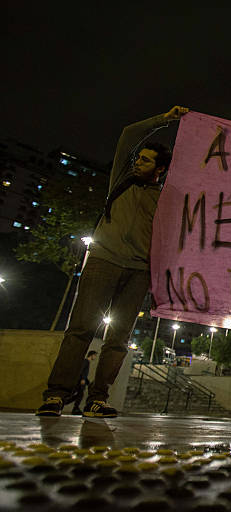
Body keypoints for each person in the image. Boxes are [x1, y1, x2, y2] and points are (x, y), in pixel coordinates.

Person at [35, 106, 189, 418]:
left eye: (146, 160)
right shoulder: (122, 178)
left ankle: (98, 399)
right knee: (80, 328)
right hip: (104, 261)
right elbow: (129, 136)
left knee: (118, 339)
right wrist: (164, 120)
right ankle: (55, 395)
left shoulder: (164, 196)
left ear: (160, 169)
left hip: (138, 271)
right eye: (138, 158)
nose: (138, 163)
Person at [68, 350, 98, 415]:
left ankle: (73, 406)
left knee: (79, 395)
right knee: (78, 394)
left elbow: (84, 373)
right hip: (80, 381)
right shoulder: (86, 361)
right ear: (92, 355)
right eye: (95, 355)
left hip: (81, 381)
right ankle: (73, 406)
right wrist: (83, 379)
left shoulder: (87, 362)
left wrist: (87, 382)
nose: (95, 357)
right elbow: (81, 371)